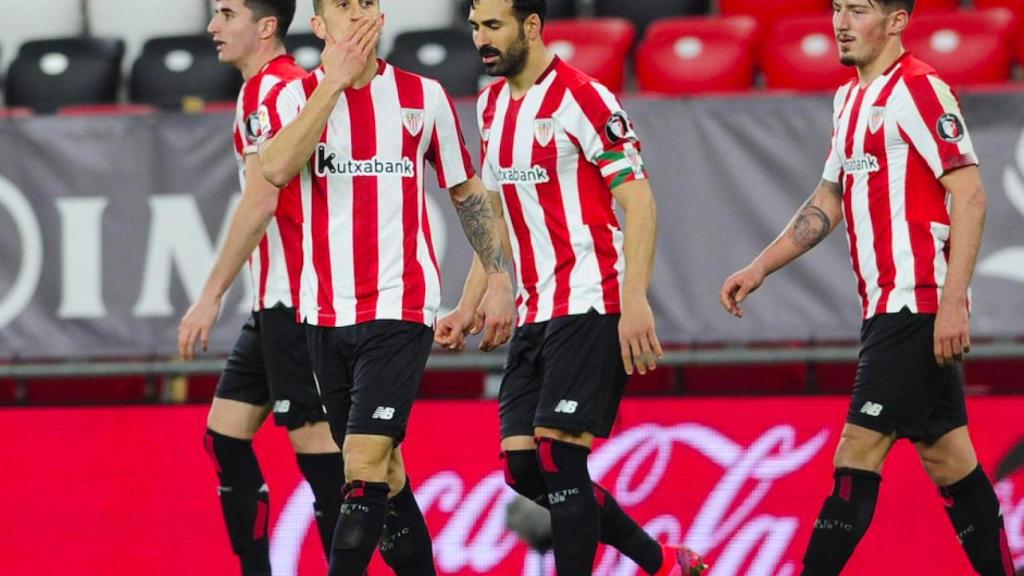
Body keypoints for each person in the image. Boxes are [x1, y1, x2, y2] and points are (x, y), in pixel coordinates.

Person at [720, 1, 1014, 574]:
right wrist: (759, 268)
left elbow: (971, 195)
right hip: (886, 307)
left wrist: (952, 302)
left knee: (857, 451)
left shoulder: (920, 89)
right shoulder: (849, 98)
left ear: (898, 21)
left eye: (858, 9)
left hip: (917, 303)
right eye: (836, 8)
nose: (840, 22)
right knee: (950, 458)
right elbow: (828, 198)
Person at [435, 1, 707, 574]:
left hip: (590, 297)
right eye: (475, 27)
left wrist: (634, 300)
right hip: (534, 310)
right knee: (523, 469)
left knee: (559, 454)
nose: (481, 39)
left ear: (531, 26)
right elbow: (495, 216)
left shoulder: (584, 98)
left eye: (494, 26)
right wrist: (469, 302)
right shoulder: (489, 107)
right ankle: (662, 561)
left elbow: (640, 201)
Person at [256, 1, 516, 574]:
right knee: (387, 473)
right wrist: (335, 83)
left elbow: (467, 191)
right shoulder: (293, 98)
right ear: (319, 26)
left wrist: (497, 278)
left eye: (367, 2)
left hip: (401, 305)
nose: (360, 14)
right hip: (324, 311)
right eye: (343, 7)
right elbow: (273, 169)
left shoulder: (423, 97)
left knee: (362, 460)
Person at [178, 2, 342, 574]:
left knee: (322, 463)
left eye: (226, 13)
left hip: (300, 303)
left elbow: (262, 201)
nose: (212, 27)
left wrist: (210, 294)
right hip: (274, 301)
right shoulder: (260, 92)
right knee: (224, 437)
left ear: (266, 25)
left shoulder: (283, 91)